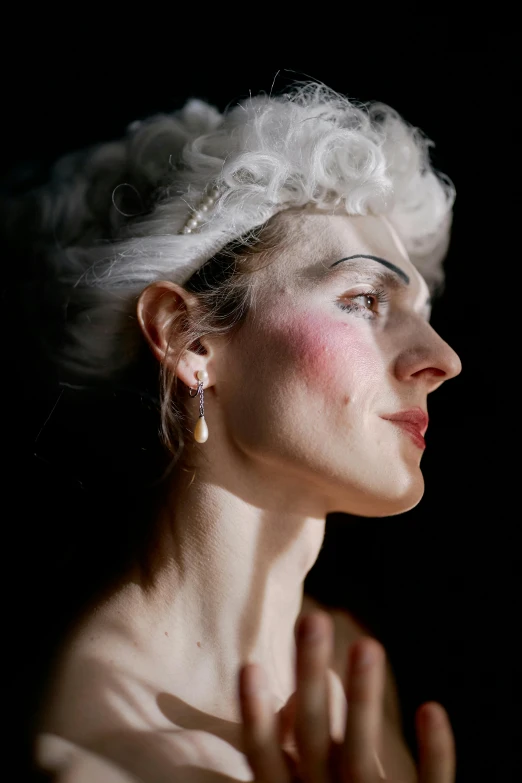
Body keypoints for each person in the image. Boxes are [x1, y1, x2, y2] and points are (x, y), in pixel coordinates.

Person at [13, 82, 461, 781]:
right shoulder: (96, 755)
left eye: (422, 309)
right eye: (365, 299)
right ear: (189, 340)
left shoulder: (345, 659)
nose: (443, 359)